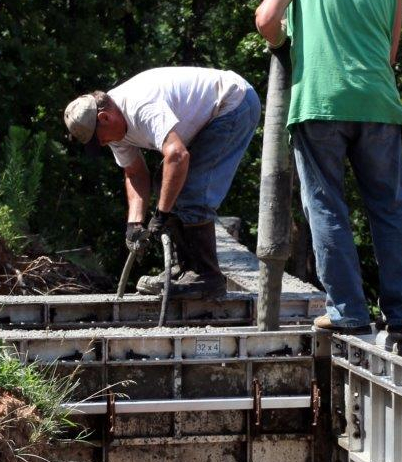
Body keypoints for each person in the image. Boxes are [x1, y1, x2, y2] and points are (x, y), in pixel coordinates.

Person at [253, 0, 402, 335]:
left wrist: (284, 43)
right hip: (379, 104)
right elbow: (391, 53)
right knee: (390, 209)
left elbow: (267, 20)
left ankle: (348, 312)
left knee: (327, 205)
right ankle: (401, 317)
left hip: (320, 101)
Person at [63, 67, 260, 299]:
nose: (103, 145)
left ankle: (207, 276)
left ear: (103, 118)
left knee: (190, 190)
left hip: (234, 103)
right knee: (165, 182)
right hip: (216, 112)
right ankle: (184, 270)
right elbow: (135, 173)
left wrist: (161, 215)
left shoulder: (140, 106)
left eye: (99, 139)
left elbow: (177, 155)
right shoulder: (112, 125)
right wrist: (134, 224)